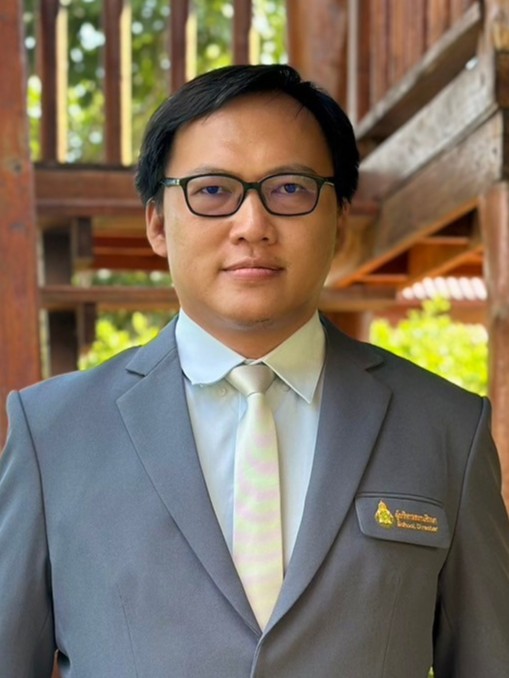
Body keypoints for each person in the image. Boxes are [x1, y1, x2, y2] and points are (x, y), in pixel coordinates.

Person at [0, 64, 508, 678]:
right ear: (157, 223)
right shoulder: (53, 433)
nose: (252, 226)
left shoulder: (448, 429)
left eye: (290, 189)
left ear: (338, 220)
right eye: (213, 190)